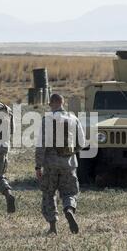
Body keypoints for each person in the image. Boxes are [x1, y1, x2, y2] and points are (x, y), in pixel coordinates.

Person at [35, 94, 86, 235]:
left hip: (51, 164)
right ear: (63, 103)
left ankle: (53, 227)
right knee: (70, 192)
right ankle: (69, 209)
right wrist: (70, 153)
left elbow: (41, 146)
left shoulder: (47, 119)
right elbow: (81, 143)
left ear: (52, 103)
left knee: (49, 193)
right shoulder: (74, 119)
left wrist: (38, 166)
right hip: (68, 163)